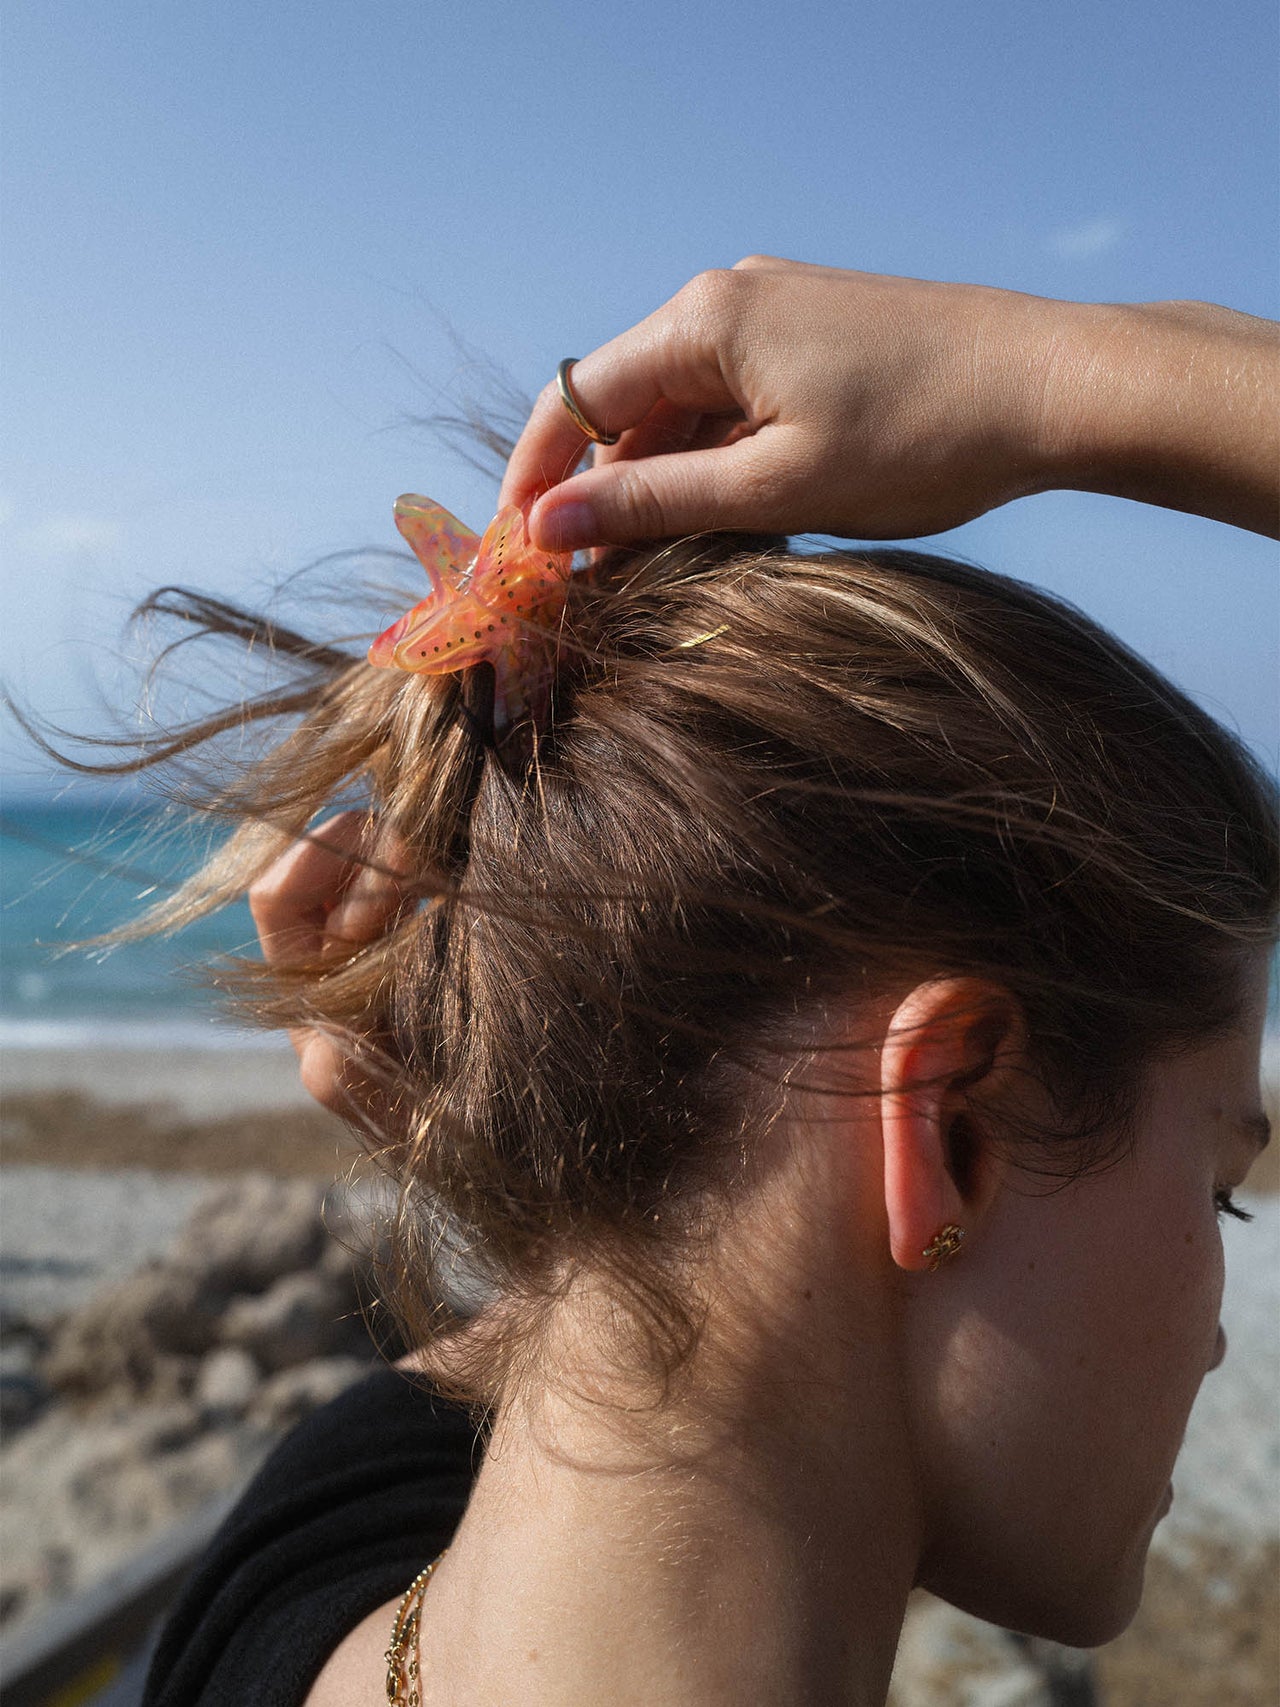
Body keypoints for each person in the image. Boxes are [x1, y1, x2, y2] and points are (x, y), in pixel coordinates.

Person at [127, 260, 1276, 1707]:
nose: (1219, 1331)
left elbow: (595, 1297)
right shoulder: (329, 1516)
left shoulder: (288, 1573)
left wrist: (537, 1111)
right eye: (1218, 1190)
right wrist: (1058, 376)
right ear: (950, 1131)